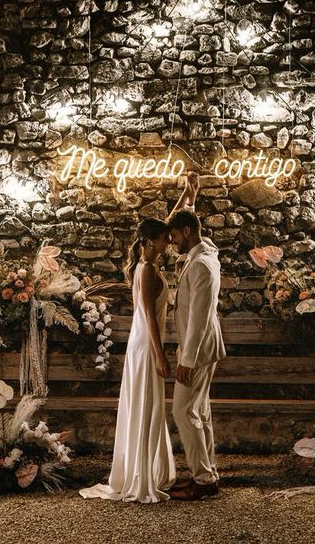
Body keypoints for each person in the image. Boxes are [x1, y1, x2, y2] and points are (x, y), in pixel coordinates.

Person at [78, 217, 176, 503]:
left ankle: (147, 470)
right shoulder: (146, 271)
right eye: (163, 238)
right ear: (149, 242)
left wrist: (188, 193)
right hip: (146, 345)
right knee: (146, 406)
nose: (168, 242)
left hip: (142, 342)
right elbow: (147, 313)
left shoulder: (147, 266)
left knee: (149, 406)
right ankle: (140, 475)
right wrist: (160, 354)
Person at [165, 174, 226, 501]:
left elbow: (200, 319)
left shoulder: (201, 265)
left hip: (198, 349)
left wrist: (186, 361)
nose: (171, 241)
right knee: (198, 411)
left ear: (187, 233)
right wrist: (188, 199)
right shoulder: (204, 251)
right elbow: (174, 225)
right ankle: (207, 473)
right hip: (202, 347)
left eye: (174, 235)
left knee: (182, 412)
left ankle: (203, 479)